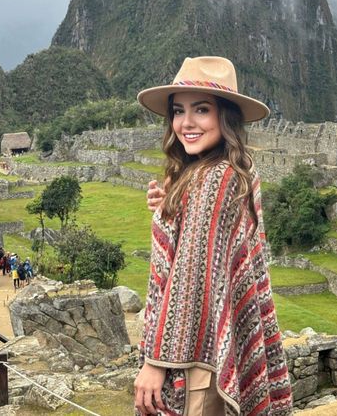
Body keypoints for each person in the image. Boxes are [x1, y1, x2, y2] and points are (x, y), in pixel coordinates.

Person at [134, 57, 293, 416]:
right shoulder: (231, 173)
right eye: (178, 111)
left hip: (194, 362)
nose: (186, 123)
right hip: (205, 351)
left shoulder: (214, 180)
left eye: (201, 110)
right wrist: (172, 208)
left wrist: (156, 362)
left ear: (226, 116)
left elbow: (191, 278)